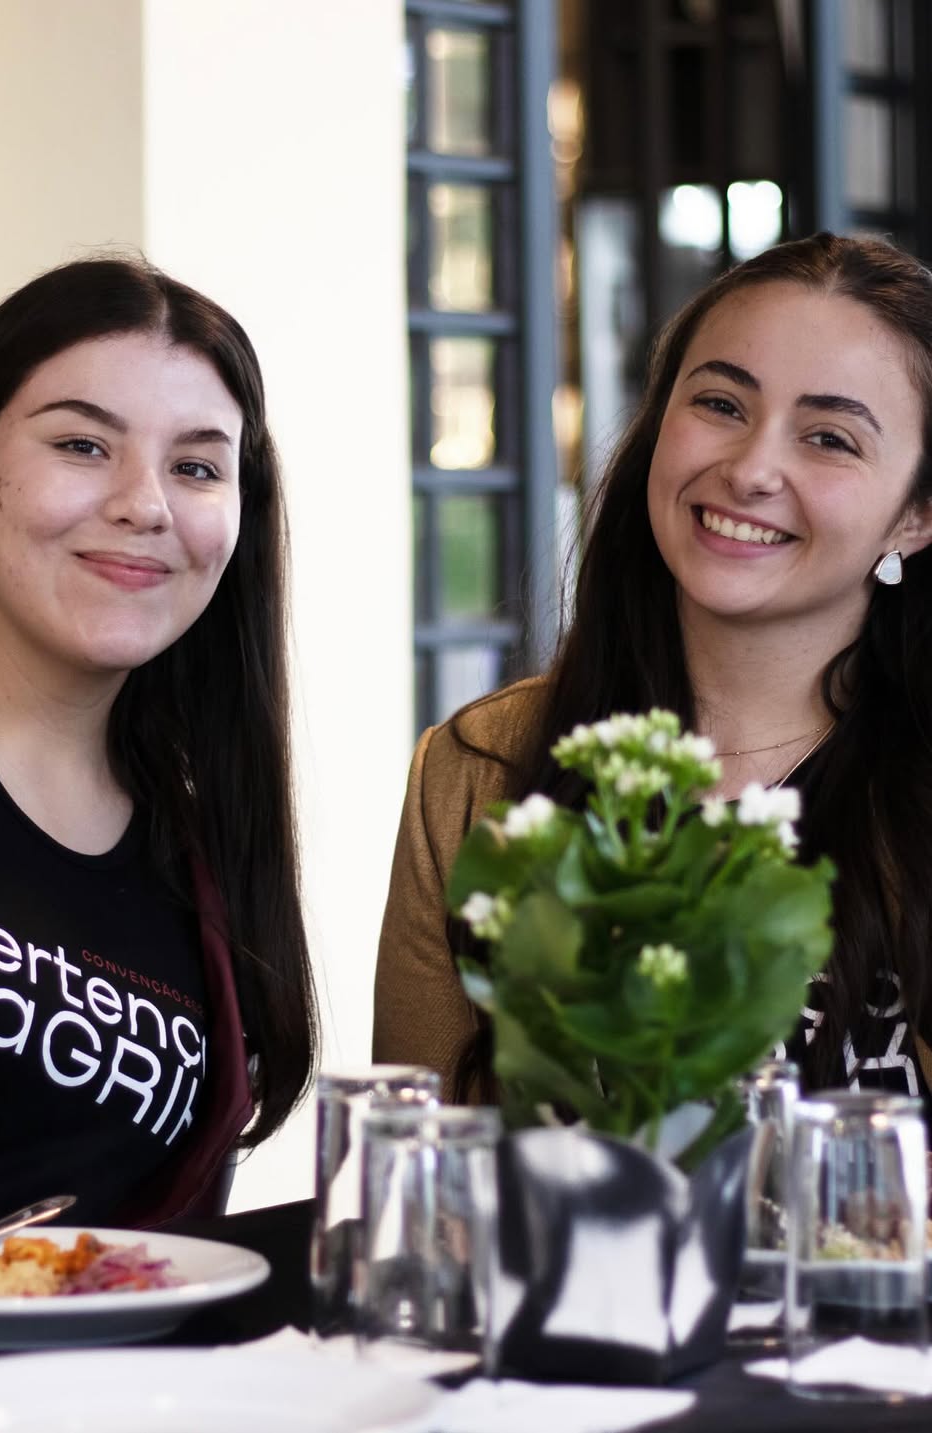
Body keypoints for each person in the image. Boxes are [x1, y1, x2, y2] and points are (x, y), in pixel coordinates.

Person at [374, 231, 932, 1107]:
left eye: (828, 437)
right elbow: (422, 1172)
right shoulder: (483, 771)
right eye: (720, 403)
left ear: (916, 515)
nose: (751, 469)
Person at [0, 257, 317, 1234]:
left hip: (122, 1387)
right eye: (83, 444)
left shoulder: (199, 825)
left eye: (196, 466)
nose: (146, 504)